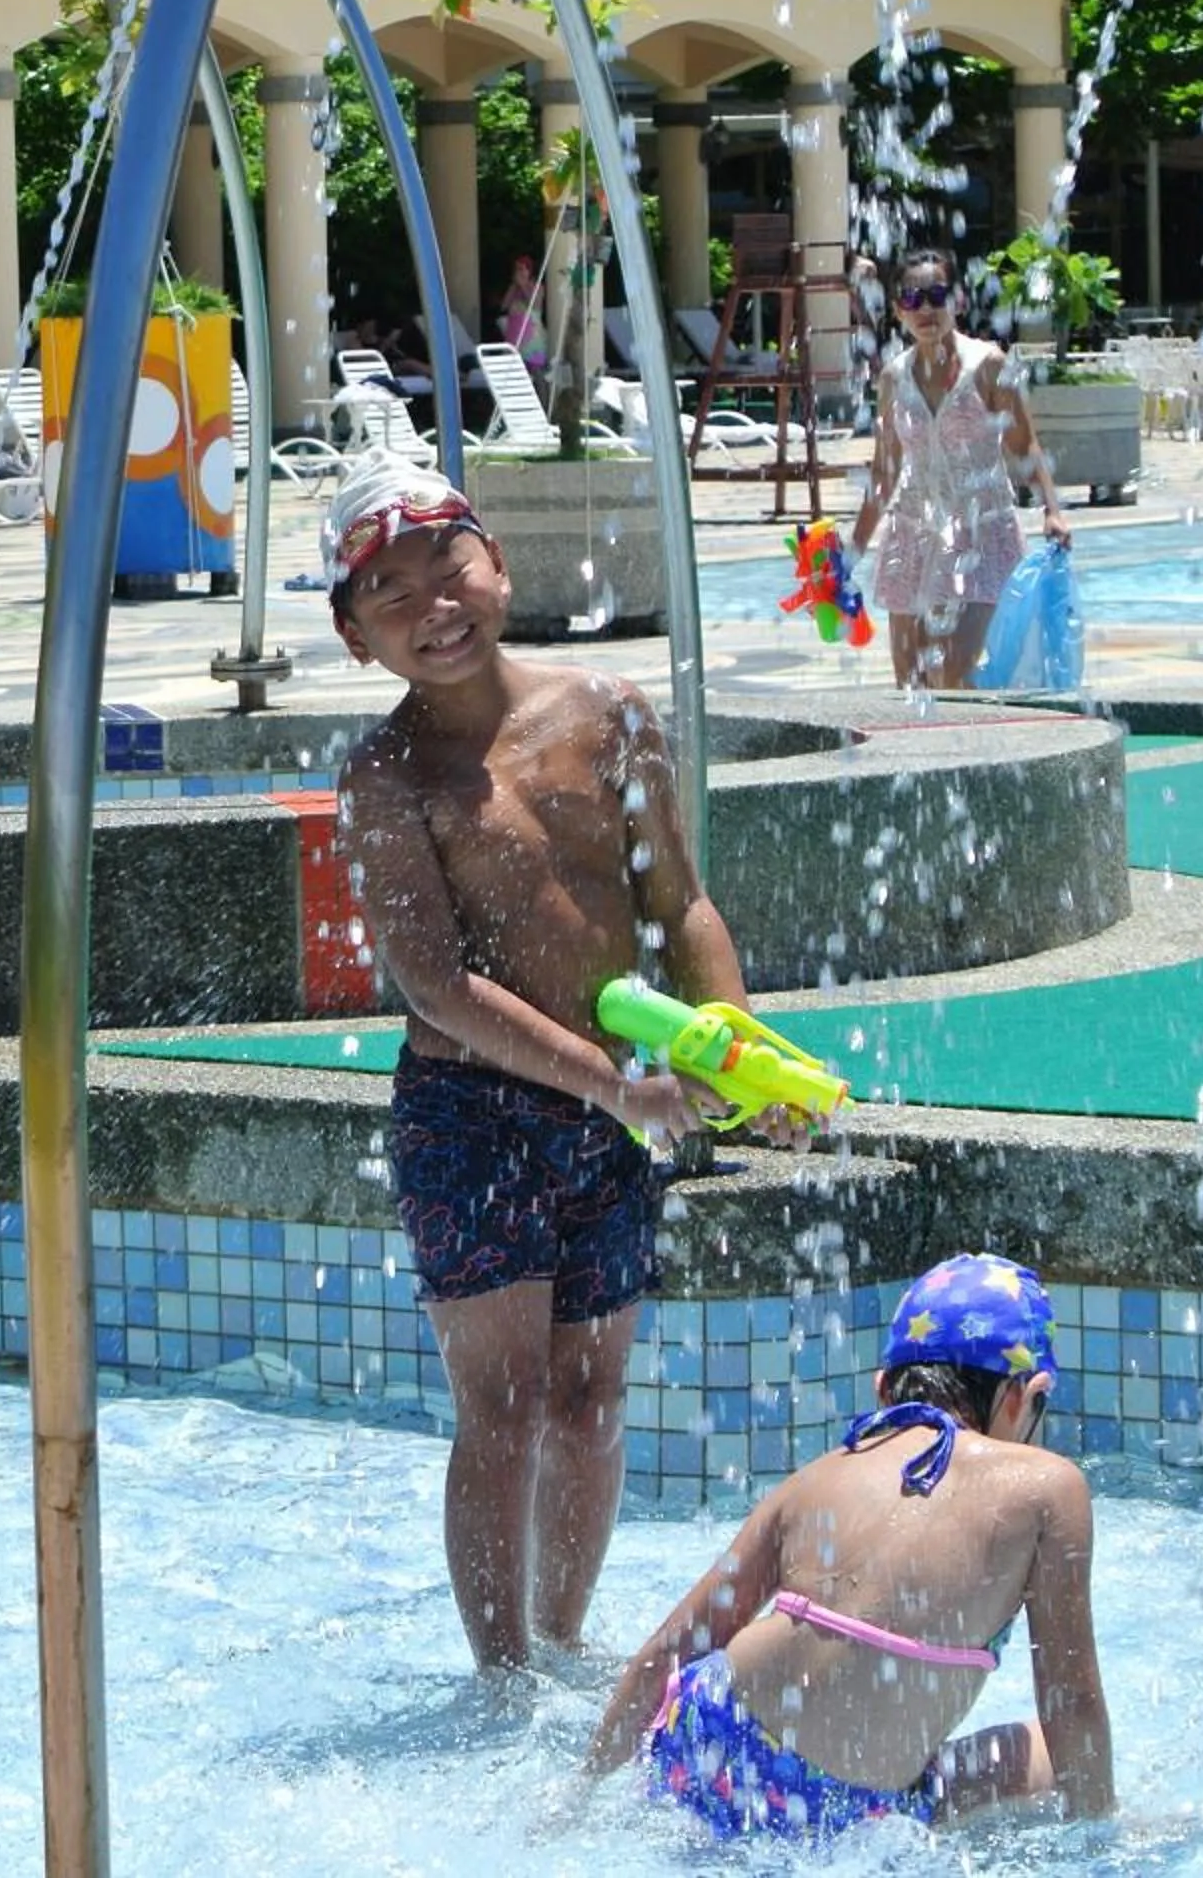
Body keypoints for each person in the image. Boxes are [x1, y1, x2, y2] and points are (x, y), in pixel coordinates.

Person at [325, 453, 775, 1680]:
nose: (434, 605)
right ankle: (500, 1676)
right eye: (392, 595)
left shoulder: (607, 715)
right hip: (469, 1113)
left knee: (589, 1395)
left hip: (609, 1105)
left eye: (449, 567)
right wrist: (610, 1081)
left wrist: (726, 1034)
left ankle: (564, 1642)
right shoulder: (385, 781)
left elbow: (679, 901)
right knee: (505, 1405)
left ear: (500, 563)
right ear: (358, 638)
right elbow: (436, 986)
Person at [585, 1253, 1113, 1840]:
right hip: (841, 1812)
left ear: (884, 1387)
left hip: (703, 1743)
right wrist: (1102, 1836)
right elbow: (1073, 1704)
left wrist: (580, 1797)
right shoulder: (1048, 1487)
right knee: (1041, 1749)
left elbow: (667, 1653)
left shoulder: (818, 1475)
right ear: (1025, 1395)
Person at [845, 249, 1071, 690]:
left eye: (937, 295)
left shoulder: (988, 366)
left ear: (959, 301)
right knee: (910, 683)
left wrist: (1052, 510)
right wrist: (851, 552)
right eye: (913, 299)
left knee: (950, 671)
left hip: (980, 532)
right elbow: (885, 473)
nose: (926, 308)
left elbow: (1026, 446)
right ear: (898, 311)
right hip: (912, 536)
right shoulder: (893, 378)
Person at [499, 254, 549, 375]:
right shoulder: (514, 288)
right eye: (517, 269)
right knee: (513, 371)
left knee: (535, 371)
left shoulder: (537, 287)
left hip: (532, 337)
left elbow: (535, 305)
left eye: (522, 269)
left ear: (529, 271)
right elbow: (504, 306)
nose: (519, 272)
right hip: (514, 335)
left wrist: (523, 286)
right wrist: (514, 286)